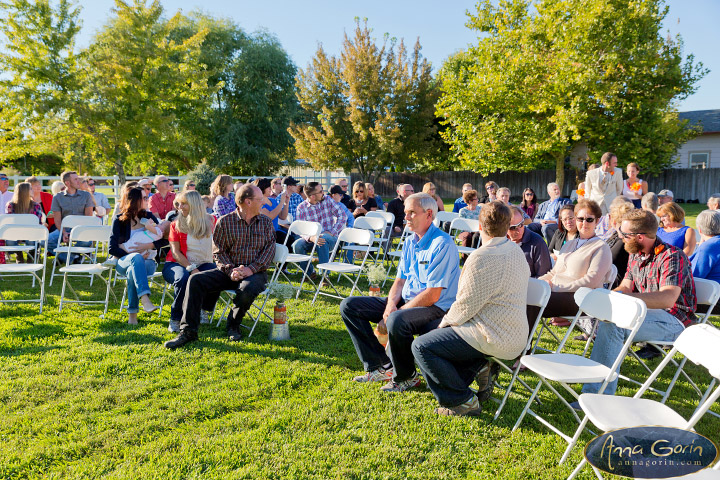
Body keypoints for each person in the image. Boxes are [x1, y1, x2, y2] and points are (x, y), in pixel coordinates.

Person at [412, 201, 529, 416]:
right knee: (445, 338)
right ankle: (478, 367)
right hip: (517, 336)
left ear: (480, 226)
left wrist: (442, 325)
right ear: (507, 226)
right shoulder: (515, 251)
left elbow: (464, 305)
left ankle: (462, 401)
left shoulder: (480, 257)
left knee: (423, 345)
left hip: (493, 336)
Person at [341, 193, 461, 393]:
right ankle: (380, 366)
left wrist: (395, 314)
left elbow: (432, 295)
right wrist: (390, 306)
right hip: (409, 300)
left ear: (429, 214)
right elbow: (399, 280)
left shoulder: (442, 244)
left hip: (435, 307)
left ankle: (406, 377)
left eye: (411, 213)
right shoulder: (410, 241)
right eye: (405, 213)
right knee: (350, 306)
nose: (405, 218)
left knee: (397, 320)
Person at [581, 209, 696, 396]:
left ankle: (598, 395)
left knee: (615, 326)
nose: (621, 238)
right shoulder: (636, 252)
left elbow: (667, 298)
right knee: (607, 316)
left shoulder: (671, 256)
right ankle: (597, 386)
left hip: (675, 320)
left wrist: (625, 300)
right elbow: (626, 286)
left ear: (640, 237)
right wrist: (607, 297)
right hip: (646, 313)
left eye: (625, 235)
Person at [164, 184, 275, 349]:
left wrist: (249, 269)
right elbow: (218, 252)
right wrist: (231, 270)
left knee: (247, 289)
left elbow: (269, 251)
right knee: (195, 280)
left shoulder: (265, 222)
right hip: (228, 271)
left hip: (255, 272)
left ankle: (233, 325)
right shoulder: (225, 221)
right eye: (260, 200)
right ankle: (188, 331)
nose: (263, 203)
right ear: (248, 202)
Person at [537, 199, 612, 323]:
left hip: (580, 299)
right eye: (580, 219)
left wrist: (557, 288)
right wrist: (537, 283)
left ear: (597, 221)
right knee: (527, 293)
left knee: (532, 301)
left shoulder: (601, 247)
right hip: (555, 294)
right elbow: (553, 272)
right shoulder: (570, 244)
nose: (584, 223)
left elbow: (591, 281)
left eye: (589, 219)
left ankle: (522, 341)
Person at [109, 187, 166, 325]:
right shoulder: (119, 221)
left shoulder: (149, 217)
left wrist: (149, 246)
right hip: (124, 260)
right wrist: (131, 253)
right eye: (145, 198)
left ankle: (133, 315)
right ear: (135, 200)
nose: (148, 200)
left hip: (148, 262)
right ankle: (145, 299)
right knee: (135, 259)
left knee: (132, 271)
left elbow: (164, 240)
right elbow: (112, 249)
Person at [162, 191, 216, 333]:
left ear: (195, 205)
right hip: (176, 264)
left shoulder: (211, 221)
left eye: (184, 203)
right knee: (184, 278)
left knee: (217, 273)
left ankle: (204, 309)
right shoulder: (176, 224)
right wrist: (191, 268)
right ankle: (175, 318)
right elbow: (175, 252)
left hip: (203, 262)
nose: (180, 207)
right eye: (178, 204)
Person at [293, 182, 348, 276]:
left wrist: (332, 232)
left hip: (330, 238)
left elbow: (342, 216)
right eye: (321, 191)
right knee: (297, 245)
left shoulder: (327, 200)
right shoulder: (301, 208)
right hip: (311, 239)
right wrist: (311, 238)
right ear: (312, 196)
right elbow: (300, 229)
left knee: (321, 240)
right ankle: (309, 273)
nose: (324, 192)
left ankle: (324, 275)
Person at [48, 170, 95, 259]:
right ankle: (74, 258)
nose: (79, 181)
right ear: (67, 183)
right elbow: (57, 219)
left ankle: (68, 257)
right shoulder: (57, 197)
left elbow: (89, 218)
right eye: (76, 179)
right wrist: (64, 232)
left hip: (82, 229)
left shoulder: (86, 195)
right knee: (47, 241)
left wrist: (75, 233)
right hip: (64, 229)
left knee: (86, 241)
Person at [507, 206, 551, 279]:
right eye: (513, 228)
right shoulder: (501, 241)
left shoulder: (537, 243)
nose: (519, 230)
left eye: (521, 225)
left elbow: (543, 277)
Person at [5, 182, 44, 263]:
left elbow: (37, 222)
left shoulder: (35, 205)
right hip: (15, 232)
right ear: (24, 191)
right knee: (10, 241)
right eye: (30, 188)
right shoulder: (11, 205)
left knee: (31, 240)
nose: (32, 190)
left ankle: (31, 255)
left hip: (31, 232)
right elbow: (9, 223)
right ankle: (18, 254)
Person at [604, 199, 635, 288]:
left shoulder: (623, 240)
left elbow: (609, 260)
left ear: (613, 221)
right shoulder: (617, 236)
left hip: (616, 285)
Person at [256, 177, 289, 244]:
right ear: (262, 188)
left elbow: (283, 217)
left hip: (275, 231)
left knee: (289, 239)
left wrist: (286, 203)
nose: (270, 189)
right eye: (268, 187)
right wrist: (281, 202)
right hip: (265, 234)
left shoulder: (273, 201)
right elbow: (270, 216)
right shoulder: (258, 203)